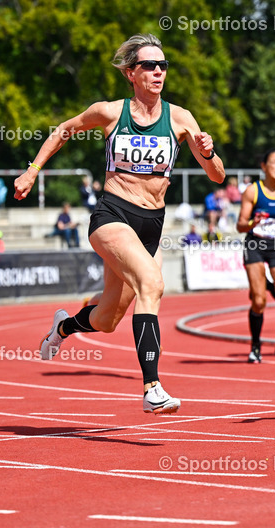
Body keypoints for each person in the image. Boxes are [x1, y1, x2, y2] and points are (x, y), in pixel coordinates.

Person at [14, 32, 225, 414]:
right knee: (152, 284)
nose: (158, 72)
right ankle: (152, 387)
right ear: (131, 73)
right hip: (112, 214)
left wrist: (209, 155)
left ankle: (63, 327)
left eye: (163, 65)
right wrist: (32, 171)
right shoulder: (111, 112)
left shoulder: (181, 118)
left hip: (152, 224)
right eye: (149, 65)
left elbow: (217, 177)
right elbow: (64, 129)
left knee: (108, 318)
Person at [237, 149, 275, 361]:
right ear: (264, 166)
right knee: (258, 301)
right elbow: (239, 225)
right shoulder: (252, 191)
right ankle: (255, 346)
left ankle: (267, 284)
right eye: (274, 162)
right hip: (255, 245)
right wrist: (252, 223)